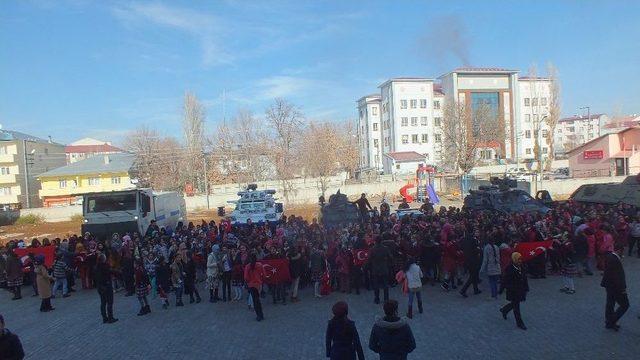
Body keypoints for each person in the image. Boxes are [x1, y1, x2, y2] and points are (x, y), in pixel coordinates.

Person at [601, 243, 629, 331]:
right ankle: (611, 321)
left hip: (609, 286)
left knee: (610, 303)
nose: (623, 253)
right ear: (619, 250)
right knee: (625, 305)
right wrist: (623, 289)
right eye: (622, 251)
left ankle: (609, 321)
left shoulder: (610, 257)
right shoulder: (615, 260)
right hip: (616, 287)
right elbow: (617, 276)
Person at [499, 252, 529, 330]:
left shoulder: (522, 267)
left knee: (515, 304)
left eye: (521, 259)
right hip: (513, 290)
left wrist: (526, 288)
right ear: (514, 259)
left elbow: (524, 278)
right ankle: (520, 323)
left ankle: (504, 310)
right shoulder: (509, 269)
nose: (520, 260)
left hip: (520, 289)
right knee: (516, 307)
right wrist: (501, 290)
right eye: (518, 259)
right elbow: (505, 280)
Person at [94, 253, 118, 323]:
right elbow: (110, 272)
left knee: (103, 302)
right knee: (109, 302)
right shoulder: (105, 266)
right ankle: (110, 317)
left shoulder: (96, 267)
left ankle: (104, 317)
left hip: (100, 287)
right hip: (106, 286)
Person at [368, 237, 392, 304]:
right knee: (385, 285)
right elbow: (390, 257)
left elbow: (369, 259)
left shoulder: (372, 249)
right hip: (384, 268)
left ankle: (377, 299)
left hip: (375, 269)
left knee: (376, 285)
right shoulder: (386, 248)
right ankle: (386, 299)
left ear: (375, 241)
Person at [459, 229, 482, 298]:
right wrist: (479, 250)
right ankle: (463, 290)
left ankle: (476, 289)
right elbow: (475, 250)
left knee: (473, 275)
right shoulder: (473, 240)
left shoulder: (463, 239)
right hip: (473, 260)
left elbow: (461, 247)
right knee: (472, 276)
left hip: (467, 260)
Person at [244, 253, 265, 321]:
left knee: (255, 300)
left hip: (251, 284)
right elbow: (264, 274)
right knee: (258, 300)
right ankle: (261, 314)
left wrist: (249, 282)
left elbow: (246, 277)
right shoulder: (259, 265)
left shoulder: (247, 267)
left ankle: (258, 315)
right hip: (258, 284)